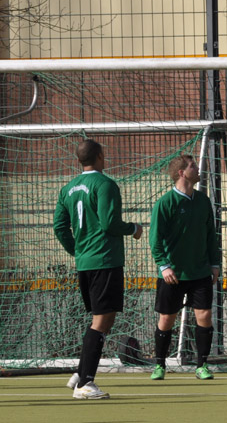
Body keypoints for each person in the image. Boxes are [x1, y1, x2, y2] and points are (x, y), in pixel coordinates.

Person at [54, 139, 143, 399]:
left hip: (86, 262)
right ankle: (85, 384)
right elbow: (109, 223)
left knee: (105, 318)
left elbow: (59, 227)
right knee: (101, 321)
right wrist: (133, 228)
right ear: (101, 156)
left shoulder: (67, 189)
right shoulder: (105, 184)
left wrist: (77, 251)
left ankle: (81, 373)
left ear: (79, 160)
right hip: (104, 260)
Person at [149, 154, 220, 381]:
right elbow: (155, 239)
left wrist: (215, 263)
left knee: (204, 315)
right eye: (193, 166)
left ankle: (202, 366)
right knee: (166, 319)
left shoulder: (203, 201)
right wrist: (164, 266)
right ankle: (160, 365)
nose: (198, 169)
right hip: (173, 274)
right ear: (182, 173)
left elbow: (211, 235)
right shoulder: (165, 203)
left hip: (200, 271)